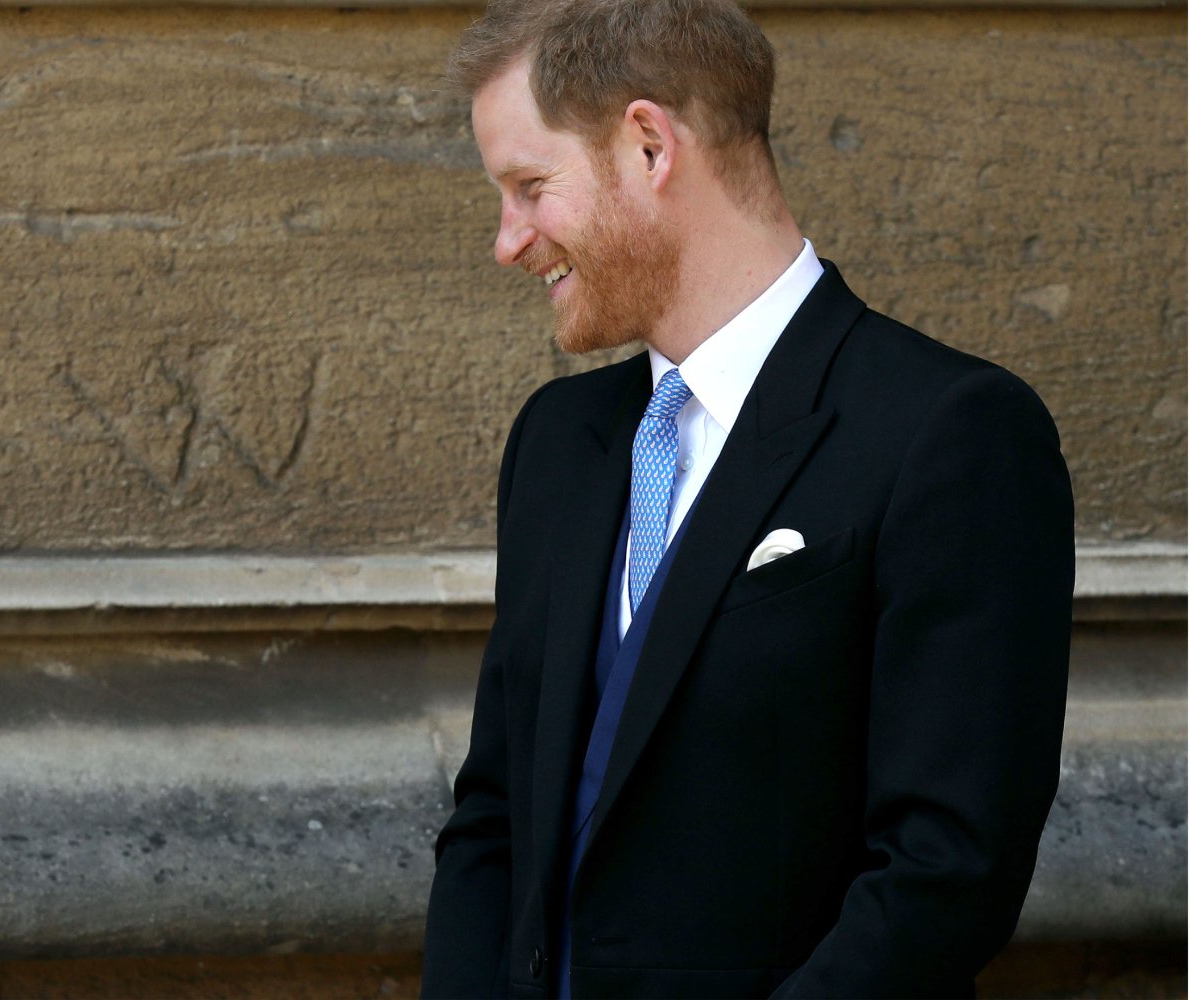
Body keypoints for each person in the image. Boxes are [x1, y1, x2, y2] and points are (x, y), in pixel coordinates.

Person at [420, 1, 1073, 996]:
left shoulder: (948, 431)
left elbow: (945, 872)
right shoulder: (559, 443)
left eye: (528, 187)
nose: (507, 241)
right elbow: (495, 814)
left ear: (647, 146)